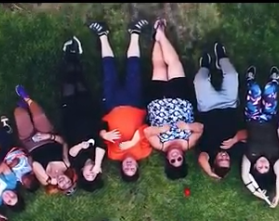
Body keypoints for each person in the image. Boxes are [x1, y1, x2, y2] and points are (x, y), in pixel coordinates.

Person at [87, 19, 153, 182]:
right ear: (137, 166)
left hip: (111, 107)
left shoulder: (113, 154)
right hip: (134, 105)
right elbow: (147, 129)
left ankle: (102, 35)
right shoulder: (144, 152)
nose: (129, 166)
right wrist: (132, 142)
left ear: (122, 168)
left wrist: (104, 134)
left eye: (126, 169)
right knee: (134, 69)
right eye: (133, 168)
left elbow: (99, 139)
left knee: (108, 71)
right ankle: (135, 33)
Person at [144, 18, 203, 180]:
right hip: (180, 99)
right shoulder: (188, 143)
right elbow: (200, 128)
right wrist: (187, 126)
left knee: (159, 66)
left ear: (168, 160)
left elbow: (147, 132)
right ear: (183, 158)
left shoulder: (160, 145)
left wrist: (160, 130)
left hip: (158, 101)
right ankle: (161, 35)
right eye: (179, 160)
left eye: (173, 161)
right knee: (174, 63)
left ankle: (157, 38)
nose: (176, 157)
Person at [58, 37, 107, 192]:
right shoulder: (99, 157)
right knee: (80, 82)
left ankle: (69, 56)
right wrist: (97, 164)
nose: (90, 172)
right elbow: (101, 143)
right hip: (88, 111)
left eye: (87, 175)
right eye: (94, 174)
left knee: (69, 84)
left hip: (71, 115)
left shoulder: (75, 163)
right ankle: (76, 56)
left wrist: (80, 146)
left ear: (82, 173)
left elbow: (71, 152)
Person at [194, 42, 246, 180]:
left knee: (200, 81)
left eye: (221, 159)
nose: (224, 156)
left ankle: (205, 67)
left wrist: (211, 173)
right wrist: (235, 139)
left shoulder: (208, 149)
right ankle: (221, 60)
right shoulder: (235, 150)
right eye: (227, 160)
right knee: (232, 75)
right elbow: (246, 134)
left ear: (214, 161)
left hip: (207, 106)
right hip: (229, 103)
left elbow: (201, 158)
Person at [13, 84, 76, 193]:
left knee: (19, 113)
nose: (63, 182)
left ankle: (24, 108)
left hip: (30, 143)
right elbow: (64, 143)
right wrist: (49, 136)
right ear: (69, 177)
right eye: (68, 182)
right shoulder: (66, 164)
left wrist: (48, 179)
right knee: (39, 116)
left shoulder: (45, 180)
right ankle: (27, 99)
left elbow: (34, 164)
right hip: (47, 135)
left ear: (58, 186)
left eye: (63, 185)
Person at [241, 65, 279, 207]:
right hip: (269, 117)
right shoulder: (274, 157)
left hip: (252, 118)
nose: (263, 164)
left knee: (255, 89)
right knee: (270, 88)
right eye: (266, 167)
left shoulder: (250, 156)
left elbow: (245, 177)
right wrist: (277, 195)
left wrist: (256, 193)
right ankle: (274, 80)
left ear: (254, 167)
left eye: (260, 167)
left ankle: (249, 80)